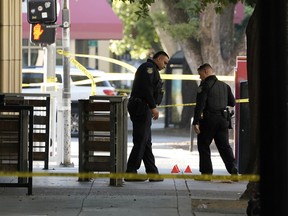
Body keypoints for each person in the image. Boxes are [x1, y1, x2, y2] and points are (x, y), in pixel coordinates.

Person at [125, 51, 169, 182]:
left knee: (146, 141)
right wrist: (153, 107)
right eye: (165, 62)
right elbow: (147, 89)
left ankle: (152, 172)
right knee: (141, 140)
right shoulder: (148, 68)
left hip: (143, 107)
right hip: (141, 107)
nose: (165, 66)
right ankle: (131, 172)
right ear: (159, 59)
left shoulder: (151, 69)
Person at [192, 63, 238, 176]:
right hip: (223, 120)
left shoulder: (204, 86)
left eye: (200, 74)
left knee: (203, 145)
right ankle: (233, 168)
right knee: (224, 146)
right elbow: (232, 102)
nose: (199, 77)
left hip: (208, 120)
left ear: (206, 71)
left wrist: (196, 122)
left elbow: (200, 105)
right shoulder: (224, 86)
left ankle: (206, 172)